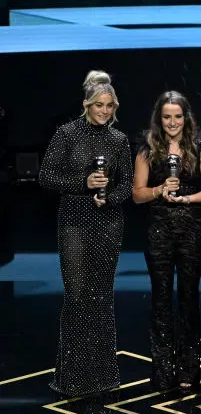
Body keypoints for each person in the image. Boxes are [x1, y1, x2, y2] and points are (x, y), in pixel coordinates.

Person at [39, 70, 133, 396]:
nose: (104, 111)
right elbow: (46, 177)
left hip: (108, 222)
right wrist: (83, 185)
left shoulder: (119, 140)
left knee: (102, 297)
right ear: (86, 104)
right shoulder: (66, 134)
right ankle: (73, 377)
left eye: (109, 106)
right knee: (77, 295)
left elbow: (127, 187)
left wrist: (109, 197)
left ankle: (103, 376)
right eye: (98, 105)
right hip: (74, 222)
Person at [131, 91, 201, 390]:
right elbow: (137, 194)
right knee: (160, 297)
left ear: (186, 118)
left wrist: (186, 199)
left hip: (191, 229)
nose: (172, 122)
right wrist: (159, 191)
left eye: (177, 116)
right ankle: (163, 368)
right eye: (167, 117)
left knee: (189, 297)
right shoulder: (147, 149)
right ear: (159, 118)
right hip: (158, 230)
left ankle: (189, 369)